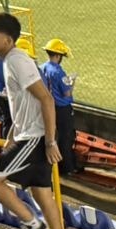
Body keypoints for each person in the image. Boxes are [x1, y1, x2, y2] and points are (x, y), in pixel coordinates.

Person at [0, 13, 66, 229]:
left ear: (8, 40)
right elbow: (22, 105)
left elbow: (46, 99)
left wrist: (49, 142)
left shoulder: (18, 61)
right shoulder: (8, 61)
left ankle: (33, 225)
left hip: (35, 138)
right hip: (28, 135)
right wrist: (10, 136)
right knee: (43, 195)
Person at [40, 37, 76, 175]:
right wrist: (72, 82)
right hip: (62, 109)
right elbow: (67, 93)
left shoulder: (42, 68)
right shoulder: (58, 72)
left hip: (48, 107)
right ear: (57, 55)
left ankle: (52, 166)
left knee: (51, 136)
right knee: (66, 138)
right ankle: (66, 168)